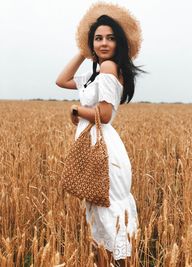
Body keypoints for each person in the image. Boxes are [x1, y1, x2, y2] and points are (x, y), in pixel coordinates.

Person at [56, 2, 144, 266]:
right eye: (98, 38)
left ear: (120, 43)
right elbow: (61, 80)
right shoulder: (96, 72)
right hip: (98, 143)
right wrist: (84, 51)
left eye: (110, 38)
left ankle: (119, 261)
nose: (104, 43)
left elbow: (104, 114)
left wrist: (76, 109)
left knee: (107, 208)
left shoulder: (107, 69)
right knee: (102, 207)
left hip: (102, 147)